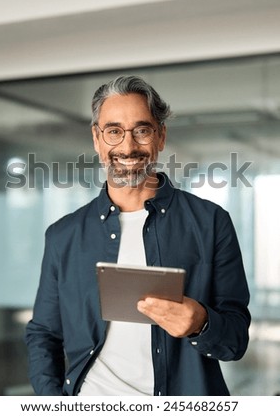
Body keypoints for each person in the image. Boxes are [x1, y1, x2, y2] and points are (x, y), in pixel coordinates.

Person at [25, 75, 251, 396]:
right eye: (114, 131)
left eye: (142, 130)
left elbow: (235, 342)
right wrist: (54, 404)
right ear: (97, 139)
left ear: (160, 137)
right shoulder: (64, 234)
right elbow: (44, 333)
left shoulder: (211, 222)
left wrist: (201, 323)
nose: (128, 147)